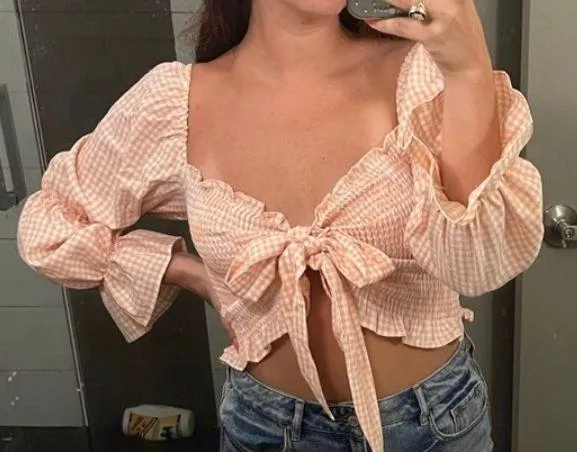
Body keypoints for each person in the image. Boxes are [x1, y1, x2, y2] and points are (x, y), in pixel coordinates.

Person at [17, 0, 543, 451]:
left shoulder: (420, 74)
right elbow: (50, 225)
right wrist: (188, 273)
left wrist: (468, 68)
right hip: (263, 426)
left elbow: (479, 264)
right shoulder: (176, 102)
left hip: (433, 423)